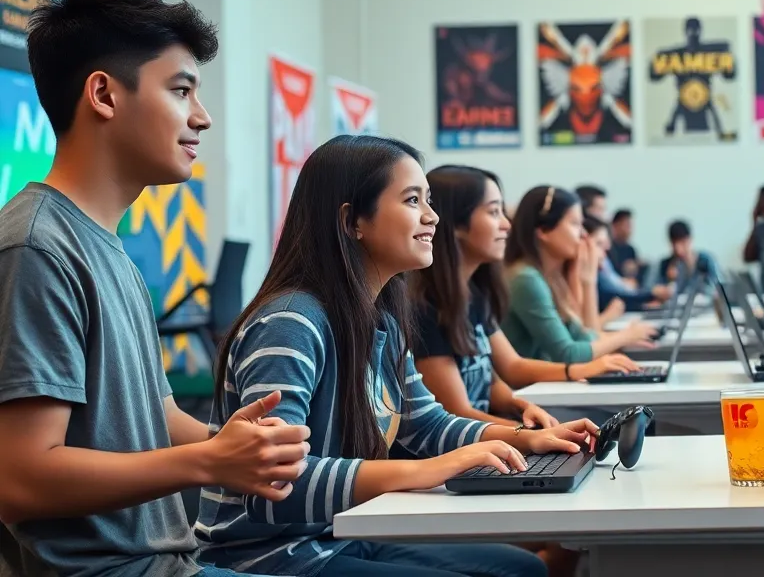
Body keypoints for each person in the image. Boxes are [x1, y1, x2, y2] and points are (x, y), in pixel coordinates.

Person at [0, 0, 310, 577]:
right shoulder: (36, 247)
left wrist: (233, 444)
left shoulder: (105, 244)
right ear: (103, 94)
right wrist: (209, 463)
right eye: (181, 90)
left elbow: (153, 414)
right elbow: (21, 479)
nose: (202, 117)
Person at [196, 136, 594, 577]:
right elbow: (275, 484)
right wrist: (425, 470)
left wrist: (525, 438)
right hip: (271, 558)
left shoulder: (380, 319)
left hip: (341, 535)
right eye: (412, 200)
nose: (432, 216)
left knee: (524, 569)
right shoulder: (290, 322)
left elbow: (427, 425)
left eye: (429, 200)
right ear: (352, 221)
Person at [410, 165, 641, 429]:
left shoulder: (473, 293)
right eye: (493, 212)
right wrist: (533, 433)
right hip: (468, 442)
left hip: (487, 433)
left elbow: (500, 375)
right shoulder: (426, 305)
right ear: (455, 224)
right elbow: (457, 413)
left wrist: (522, 408)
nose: (506, 224)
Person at [500, 186, 658, 364]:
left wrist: (625, 337)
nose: (583, 234)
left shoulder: (550, 277)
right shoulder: (526, 279)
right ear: (543, 231)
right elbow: (568, 353)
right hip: (537, 381)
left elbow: (582, 336)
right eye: (575, 224)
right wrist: (624, 336)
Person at [585, 215, 668, 322]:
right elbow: (613, 297)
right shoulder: (595, 274)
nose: (605, 252)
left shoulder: (627, 251)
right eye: (599, 244)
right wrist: (650, 295)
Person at [657, 220, 719, 293]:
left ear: (690, 240)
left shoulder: (705, 261)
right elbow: (652, 289)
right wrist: (668, 282)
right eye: (674, 244)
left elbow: (717, 287)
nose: (679, 250)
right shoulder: (665, 265)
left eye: (682, 243)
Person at [608, 209, 644, 282]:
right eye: (627, 226)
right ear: (616, 225)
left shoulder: (631, 250)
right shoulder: (608, 248)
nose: (630, 230)